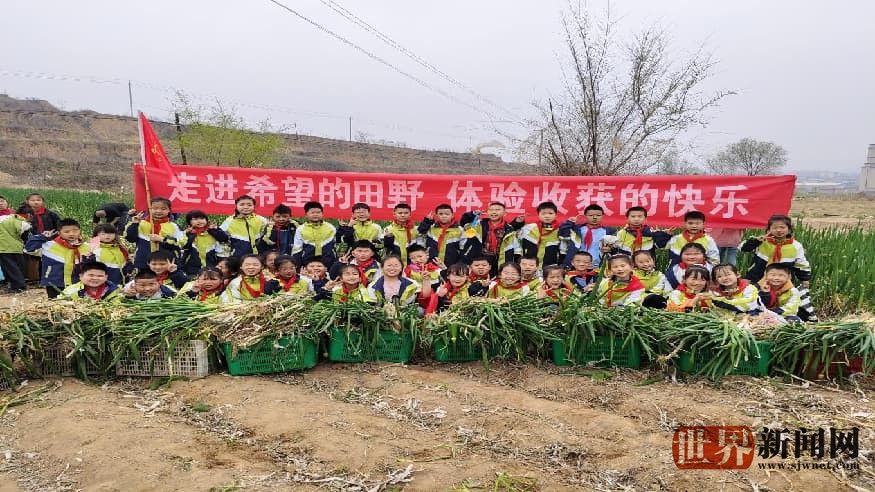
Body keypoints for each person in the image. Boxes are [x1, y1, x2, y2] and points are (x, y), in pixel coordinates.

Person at [25, 218, 91, 298]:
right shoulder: (49, 245)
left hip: (78, 283)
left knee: (78, 303)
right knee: (56, 303)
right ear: (59, 233)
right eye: (66, 231)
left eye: (75, 231)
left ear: (80, 231)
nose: (71, 234)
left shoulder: (88, 247)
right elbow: (28, 249)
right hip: (55, 283)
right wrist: (42, 237)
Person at [739, 214, 811, 286]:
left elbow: (801, 264)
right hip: (757, 279)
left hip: (782, 282)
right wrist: (755, 241)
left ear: (789, 230)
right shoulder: (761, 242)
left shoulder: (796, 246)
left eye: (782, 227)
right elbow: (742, 248)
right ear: (768, 230)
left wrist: (805, 279)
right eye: (774, 228)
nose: (779, 230)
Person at [460, 202, 525, 275]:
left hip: (500, 262)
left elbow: (517, 250)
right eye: (491, 210)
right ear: (487, 212)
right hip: (479, 261)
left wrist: (516, 264)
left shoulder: (510, 230)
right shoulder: (477, 225)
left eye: (497, 210)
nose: (494, 212)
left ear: (505, 213)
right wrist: (473, 213)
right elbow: (463, 222)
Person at [125, 197, 182, 271]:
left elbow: (180, 243)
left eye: (163, 209)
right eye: (155, 208)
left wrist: (162, 239)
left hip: (166, 264)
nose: (158, 211)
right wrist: (134, 224)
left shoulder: (173, 226)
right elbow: (130, 239)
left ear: (169, 210)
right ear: (149, 209)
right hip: (143, 262)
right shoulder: (140, 223)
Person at [559, 204, 615, 268]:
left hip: (598, 265)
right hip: (577, 265)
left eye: (598, 215)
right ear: (585, 216)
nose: (595, 217)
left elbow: (615, 248)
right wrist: (569, 222)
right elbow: (563, 234)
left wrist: (610, 249)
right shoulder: (577, 229)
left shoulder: (609, 231)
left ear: (603, 216)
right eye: (591, 215)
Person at [179, 210, 229, 277]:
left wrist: (215, 230)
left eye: (202, 218)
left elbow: (224, 239)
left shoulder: (213, 231)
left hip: (211, 265)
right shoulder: (187, 234)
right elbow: (183, 246)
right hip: (192, 268)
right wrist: (190, 235)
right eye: (195, 219)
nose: (199, 221)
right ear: (189, 222)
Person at [292, 201, 338, 267]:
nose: (315, 214)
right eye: (312, 213)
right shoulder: (300, 229)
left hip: (328, 263)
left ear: (322, 214)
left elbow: (335, 247)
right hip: (307, 263)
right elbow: (297, 249)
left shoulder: (330, 227)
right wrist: (298, 266)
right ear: (306, 215)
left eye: (318, 212)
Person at [0, 205, 32, 294]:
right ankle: (19, 285)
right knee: (17, 266)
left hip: (3, 247)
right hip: (15, 247)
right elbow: (25, 238)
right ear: (29, 215)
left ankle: (17, 285)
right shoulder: (23, 223)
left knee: (9, 267)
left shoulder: (4, 218)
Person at [519, 201, 562, 267]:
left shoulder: (561, 230)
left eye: (550, 213)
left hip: (550, 266)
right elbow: (517, 238)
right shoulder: (530, 228)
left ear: (556, 215)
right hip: (531, 266)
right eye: (543, 213)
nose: (547, 216)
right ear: (538, 215)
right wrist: (518, 223)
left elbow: (564, 249)